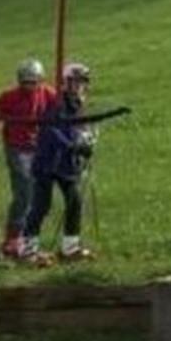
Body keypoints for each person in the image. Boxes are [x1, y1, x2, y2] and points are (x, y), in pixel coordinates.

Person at [21, 61, 128, 266]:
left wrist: (84, 143)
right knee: (41, 206)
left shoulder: (78, 103)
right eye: (75, 82)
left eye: (83, 82)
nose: (79, 86)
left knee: (75, 202)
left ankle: (70, 248)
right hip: (48, 161)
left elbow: (79, 128)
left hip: (66, 164)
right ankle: (28, 251)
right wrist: (72, 146)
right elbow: (52, 130)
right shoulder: (56, 102)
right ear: (66, 82)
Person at [0, 58, 56, 260]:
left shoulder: (48, 93)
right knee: (24, 190)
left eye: (33, 82)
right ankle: (13, 239)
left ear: (40, 80)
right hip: (17, 148)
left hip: (40, 148)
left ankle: (30, 240)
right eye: (25, 82)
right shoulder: (9, 97)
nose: (29, 87)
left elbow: (61, 112)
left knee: (39, 195)